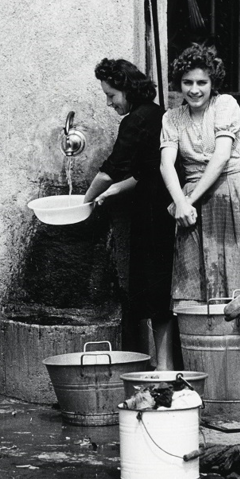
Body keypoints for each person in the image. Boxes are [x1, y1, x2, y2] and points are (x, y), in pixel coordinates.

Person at [83, 58, 176, 369]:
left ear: (127, 89)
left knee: (152, 289)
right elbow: (141, 172)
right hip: (161, 205)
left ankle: (157, 365)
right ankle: (162, 363)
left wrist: (85, 200)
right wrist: (113, 192)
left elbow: (112, 169)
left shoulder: (134, 120)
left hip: (152, 211)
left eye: (111, 96)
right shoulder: (156, 114)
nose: (109, 103)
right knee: (160, 289)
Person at [159, 43, 240, 307]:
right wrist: (180, 203)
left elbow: (220, 158)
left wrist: (188, 202)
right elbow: (166, 164)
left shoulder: (225, 105)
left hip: (227, 193)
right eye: (187, 82)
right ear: (179, 84)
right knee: (194, 284)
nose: (194, 89)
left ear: (212, 82)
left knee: (237, 276)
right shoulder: (172, 118)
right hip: (190, 206)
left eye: (201, 82)